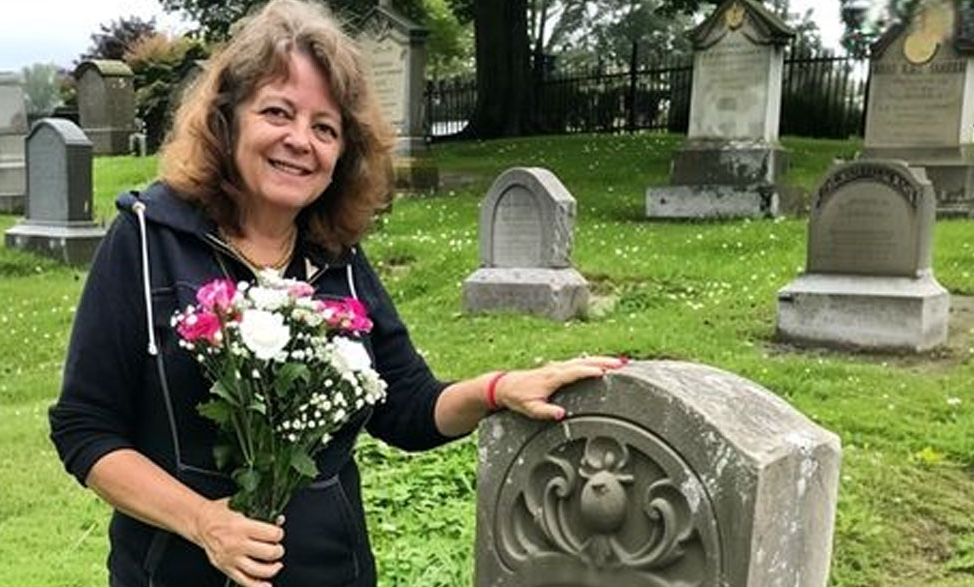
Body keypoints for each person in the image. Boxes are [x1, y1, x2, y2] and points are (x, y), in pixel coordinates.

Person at [48, 1, 624, 586]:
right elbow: (85, 428)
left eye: (325, 128)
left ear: (342, 153)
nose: (301, 140)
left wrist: (497, 388)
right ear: (228, 121)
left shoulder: (337, 259)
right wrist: (202, 522)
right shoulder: (147, 240)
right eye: (277, 112)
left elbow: (406, 408)